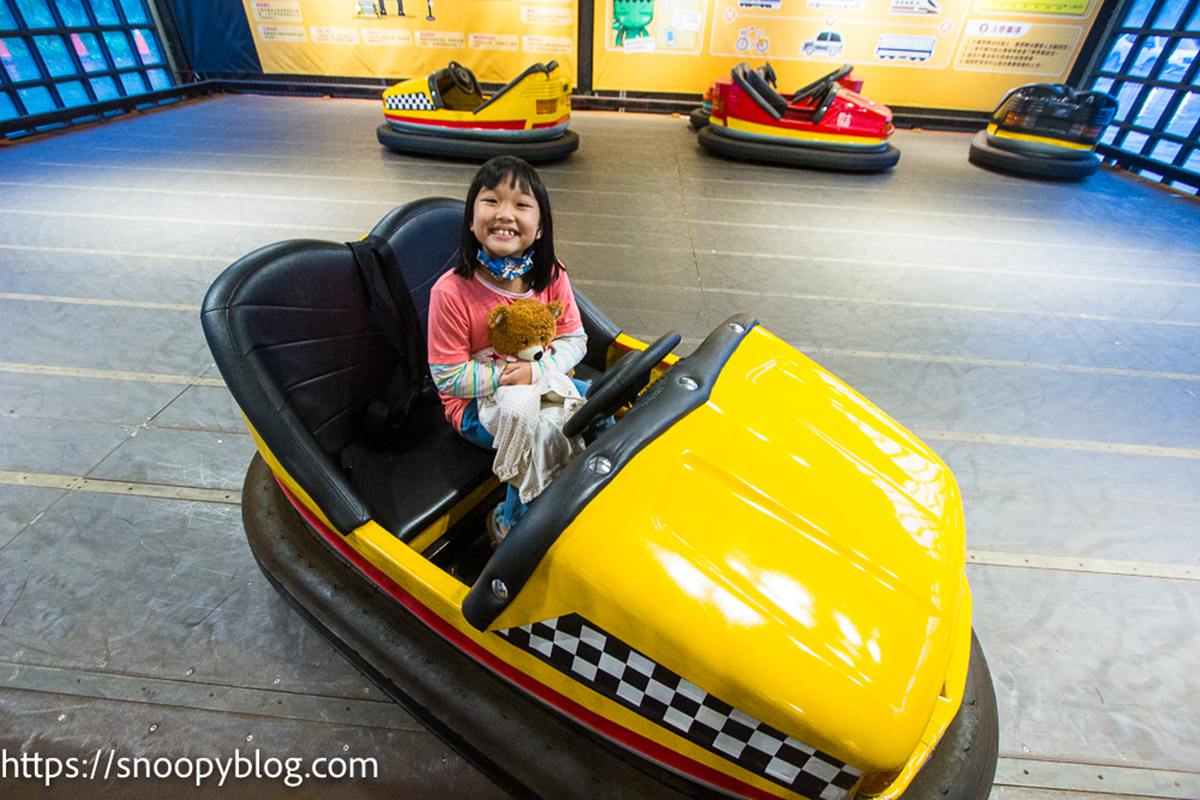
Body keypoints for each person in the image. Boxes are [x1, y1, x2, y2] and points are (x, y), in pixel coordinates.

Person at [426, 156, 587, 545]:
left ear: (541, 224)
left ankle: (590, 491)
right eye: (492, 201)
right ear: (470, 218)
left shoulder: (550, 275)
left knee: (595, 411)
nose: (505, 214)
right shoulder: (450, 292)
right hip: (473, 408)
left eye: (521, 204)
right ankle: (510, 522)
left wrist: (540, 371)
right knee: (541, 435)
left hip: (541, 384)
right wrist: (505, 376)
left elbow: (574, 339)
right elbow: (447, 376)